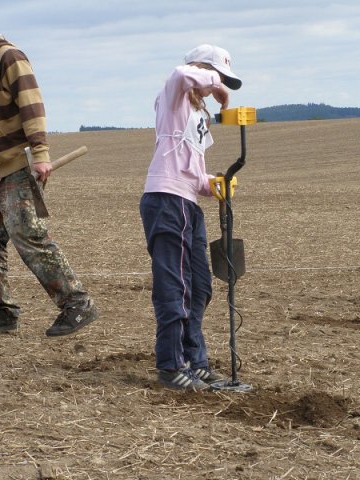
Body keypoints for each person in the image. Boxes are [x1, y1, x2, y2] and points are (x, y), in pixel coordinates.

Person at [0, 3, 98, 337]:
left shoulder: (10, 57)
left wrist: (41, 154)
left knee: (28, 236)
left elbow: (32, 105)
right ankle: (2, 312)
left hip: (16, 167)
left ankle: (78, 303)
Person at [140, 44, 242, 390]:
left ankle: (196, 362)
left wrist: (214, 184)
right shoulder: (174, 96)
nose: (216, 89)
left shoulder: (197, 114)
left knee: (199, 287)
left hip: (187, 204)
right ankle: (170, 365)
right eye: (215, 77)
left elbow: (191, 171)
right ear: (203, 70)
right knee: (175, 286)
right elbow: (182, 74)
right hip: (166, 200)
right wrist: (216, 83)